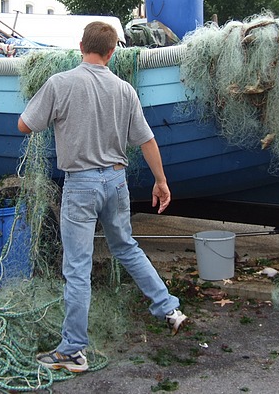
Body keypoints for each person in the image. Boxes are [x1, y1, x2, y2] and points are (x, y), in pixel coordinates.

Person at [18, 21, 187, 373]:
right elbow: (147, 140)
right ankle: (169, 308)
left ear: (81, 45)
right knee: (126, 247)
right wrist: (161, 182)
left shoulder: (60, 83)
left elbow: (25, 125)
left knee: (77, 267)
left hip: (81, 185)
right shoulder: (125, 90)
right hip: (116, 181)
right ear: (112, 53)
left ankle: (72, 350)